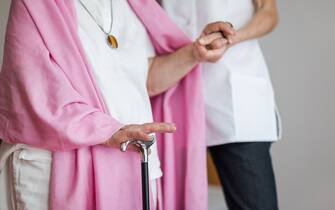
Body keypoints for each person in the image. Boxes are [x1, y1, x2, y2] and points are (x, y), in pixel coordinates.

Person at [0, 0, 234, 209]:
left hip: (132, 160)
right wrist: (110, 131)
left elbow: (145, 78)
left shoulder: (134, 5)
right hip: (53, 167)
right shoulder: (35, 4)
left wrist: (194, 53)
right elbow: (34, 91)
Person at [161, 0, 281, 209]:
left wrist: (231, 38)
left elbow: (269, 13)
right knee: (173, 201)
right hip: (173, 92)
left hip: (233, 100)